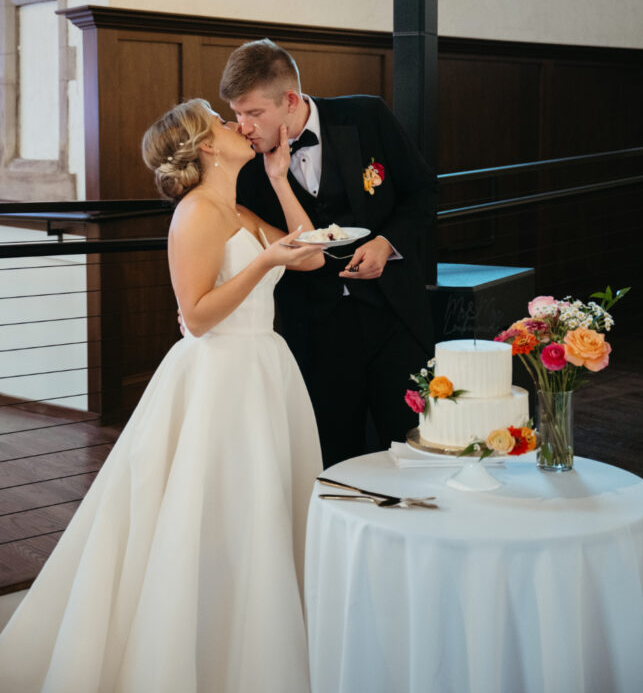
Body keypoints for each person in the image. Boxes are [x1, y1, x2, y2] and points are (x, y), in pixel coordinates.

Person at [0, 98, 324, 693]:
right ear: (205, 145)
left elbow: (307, 255)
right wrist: (261, 266)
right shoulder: (195, 213)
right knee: (210, 514)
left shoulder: (240, 207)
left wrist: (279, 181)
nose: (239, 127)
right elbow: (196, 317)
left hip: (264, 368)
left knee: (263, 510)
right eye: (225, 122)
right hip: (218, 377)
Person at [220, 39, 438, 468]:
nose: (243, 126)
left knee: (412, 447)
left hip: (393, 317)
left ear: (289, 100)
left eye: (253, 113)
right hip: (314, 330)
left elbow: (423, 192)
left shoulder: (366, 116)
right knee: (332, 456)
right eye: (236, 114)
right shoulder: (243, 163)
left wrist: (385, 243)